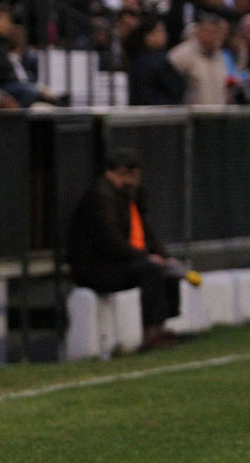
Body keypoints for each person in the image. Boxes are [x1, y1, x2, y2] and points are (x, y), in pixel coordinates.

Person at [68, 147, 200, 351]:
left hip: (123, 262)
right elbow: (111, 242)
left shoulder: (129, 197)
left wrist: (165, 258)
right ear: (121, 172)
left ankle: (161, 326)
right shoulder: (101, 198)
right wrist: (146, 258)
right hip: (97, 268)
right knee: (151, 270)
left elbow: (146, 233)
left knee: (167, 270)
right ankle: (150, 333)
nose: (136, 181)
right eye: (133, 175)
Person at [126, 15, 187, 106]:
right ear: (148, 36)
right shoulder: (150, 62)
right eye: (160, 31)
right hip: (157, 113)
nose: (165, 35)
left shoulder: (145, 58)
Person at [168, 15, 228, 105]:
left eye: (215, 32)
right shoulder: (181, 55)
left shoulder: (221, 56)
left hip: (218, 114)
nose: (210, 36)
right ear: (198, 31)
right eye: (207, 31)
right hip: (190, 116)